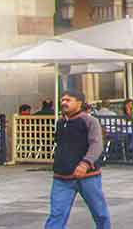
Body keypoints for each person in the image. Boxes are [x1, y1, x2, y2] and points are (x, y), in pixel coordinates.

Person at [44, 90, 111, 229]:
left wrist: (85, 163)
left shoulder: (90, 121)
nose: (64, 103)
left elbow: (96, 145)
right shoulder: (60, 122)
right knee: (57, 214)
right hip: (62, 177)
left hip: (88, 177)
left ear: (79, 103)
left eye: (68, 100)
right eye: (63, 100)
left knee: (99, 212)